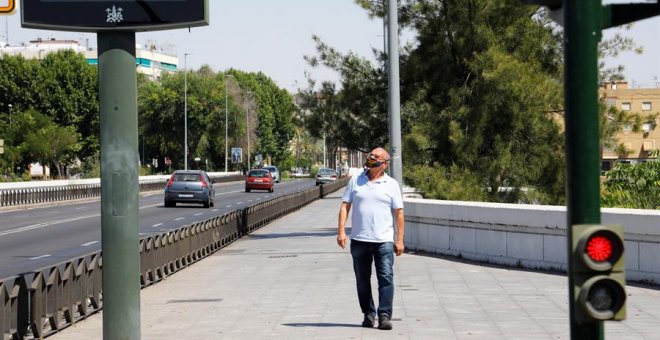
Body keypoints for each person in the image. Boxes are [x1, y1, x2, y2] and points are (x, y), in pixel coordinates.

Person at [336, 147, 405, 330]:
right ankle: (368, 313)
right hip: (359, 239)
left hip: (383, 240)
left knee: (386, 278)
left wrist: (399, 240)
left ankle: (384, 315)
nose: (371, 158)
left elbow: (399, 214)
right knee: (362, 280)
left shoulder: (391, 185)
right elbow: (345, 206)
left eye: (376, 157)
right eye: (371, 155)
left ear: (385, 164)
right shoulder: (356, 180)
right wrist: (341, 231)